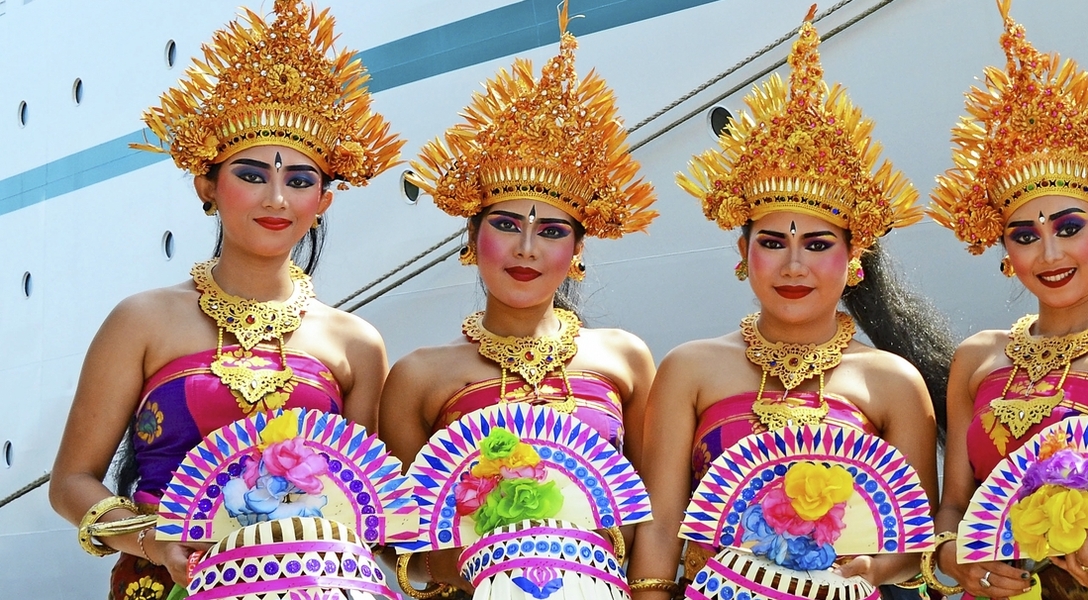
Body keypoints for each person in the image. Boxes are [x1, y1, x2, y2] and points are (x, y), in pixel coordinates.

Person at [47, 0, 402, 597]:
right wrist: (149, 540)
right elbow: (71, 481)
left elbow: (363, 502)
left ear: (323, 202)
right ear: (207, 186)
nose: (276, 200)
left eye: (299, 181)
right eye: (252, 174)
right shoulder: (143, 320)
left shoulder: (355, 344)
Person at [629, 8, 954, 599]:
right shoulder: (690, 369)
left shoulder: (892, 382)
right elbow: (658, 528)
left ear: (855, 257)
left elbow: (914, 541)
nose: (794, 265)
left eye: (818, 244)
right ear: (743, 251)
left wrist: (873, 570)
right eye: (773, 243)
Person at [380, 4, 659, 595]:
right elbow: (406, 545)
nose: (527, 249)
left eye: (553, 232)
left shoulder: (624, 361)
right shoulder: (419, 377)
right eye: (506, 225)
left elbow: (653, 513)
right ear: (471, 238)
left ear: (578, 249)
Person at [923, 3, 1088, 599]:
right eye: (1025, 237)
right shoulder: (978, 360)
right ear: (1005, 253)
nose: (1049, 254)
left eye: (1069, 227)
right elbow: (953, 508)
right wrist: (955, 559)